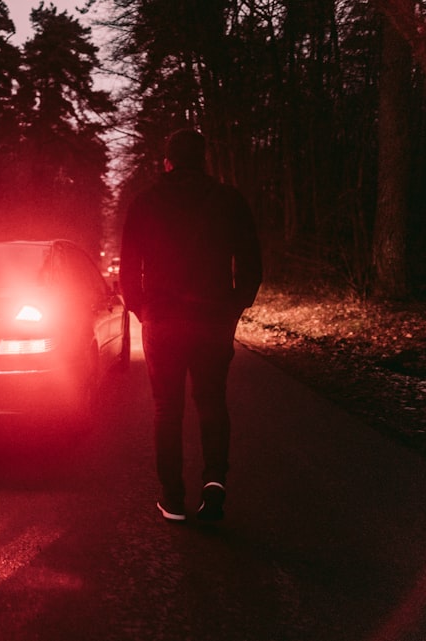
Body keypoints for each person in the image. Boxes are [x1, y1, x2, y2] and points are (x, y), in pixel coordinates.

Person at [120, 129, 262, 522]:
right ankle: (214, 482)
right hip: (212, 318)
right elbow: (251, 262)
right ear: (203, 161)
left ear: (166, 163)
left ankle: (172, 497)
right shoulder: (229, 201)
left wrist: (141, 309)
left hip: (162, 320)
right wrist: (233, 308)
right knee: (212, 401)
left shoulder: (145, 203)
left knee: (167, 407)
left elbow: (128, 270)